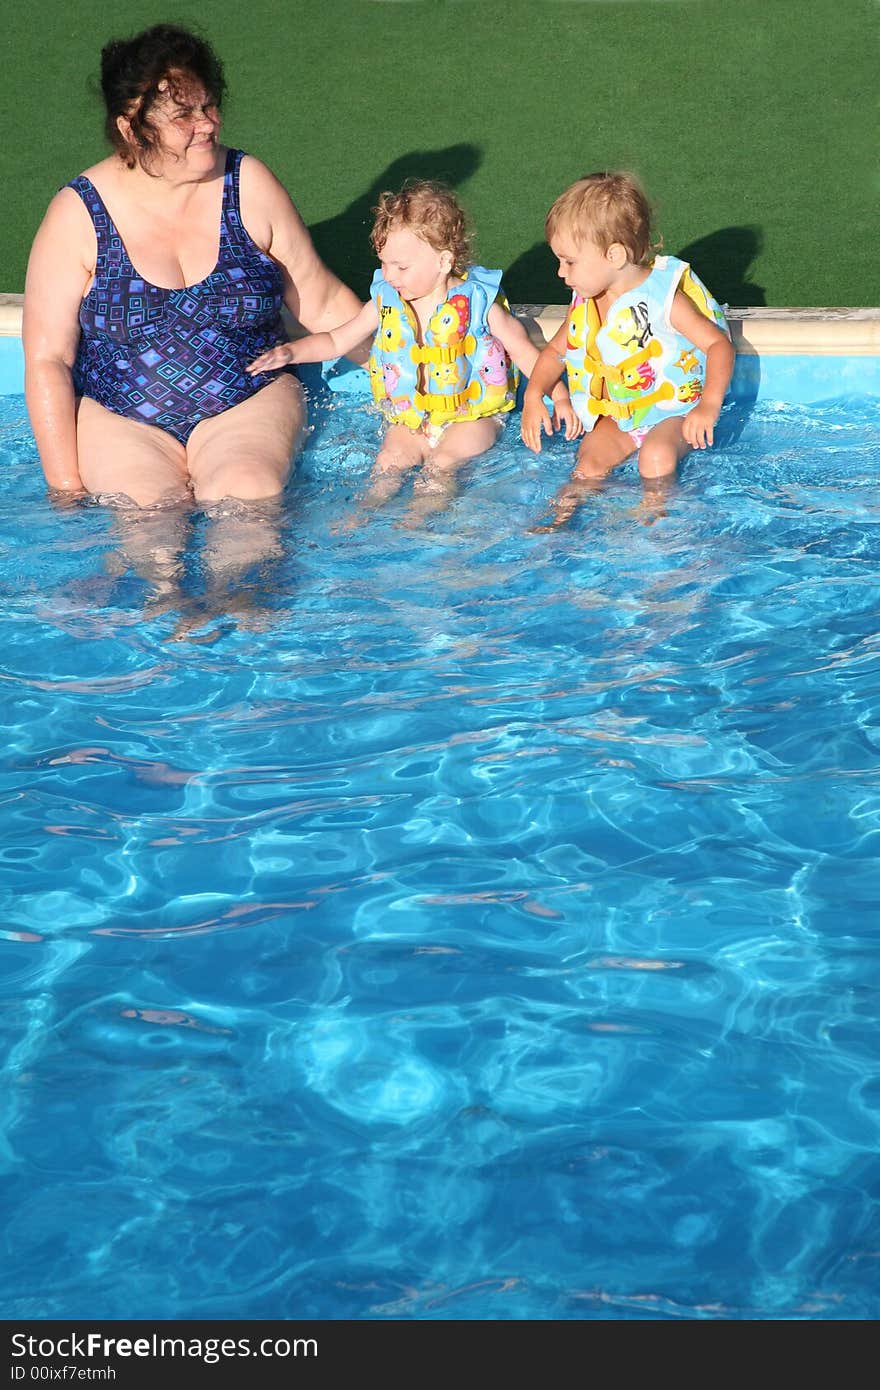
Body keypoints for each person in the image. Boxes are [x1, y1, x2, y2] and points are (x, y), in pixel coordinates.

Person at [23, 23, 362, 510]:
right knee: (146, 515)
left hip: (248, 400)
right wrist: (65, 488)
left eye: (208, 106)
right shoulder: (78, 214)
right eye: (184, 114)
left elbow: (321, 299)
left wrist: (412, 374)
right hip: (122, 419)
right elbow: (48, 359)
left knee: (247, 496)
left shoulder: (248, 184)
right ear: (130, 128)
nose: (207, 123)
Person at [248, 180, 577, 520]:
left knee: (440, 466)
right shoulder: (386, 302)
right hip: (410, 418)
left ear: (444, 261)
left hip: (471, 417)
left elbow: (524, 352)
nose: (388, 276)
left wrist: (558, 397)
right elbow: (336, 341)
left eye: (401, 267)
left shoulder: (478, 303)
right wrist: (290, 353)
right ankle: (360, 522)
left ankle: (418, 523)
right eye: (384, 263)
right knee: (387, 465)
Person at [520, 171, 735, 525]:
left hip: (672, 411)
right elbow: (555, 352)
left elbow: (718, 345)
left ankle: (653, 523)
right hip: (620, 415)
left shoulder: (663, 297)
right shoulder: (585, 302)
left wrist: (708, 407)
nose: (560, 272)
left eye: (569, 261)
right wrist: (533, 398)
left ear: (614, 255)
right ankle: (557, 524)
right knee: (587, 466)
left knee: (656, 456)